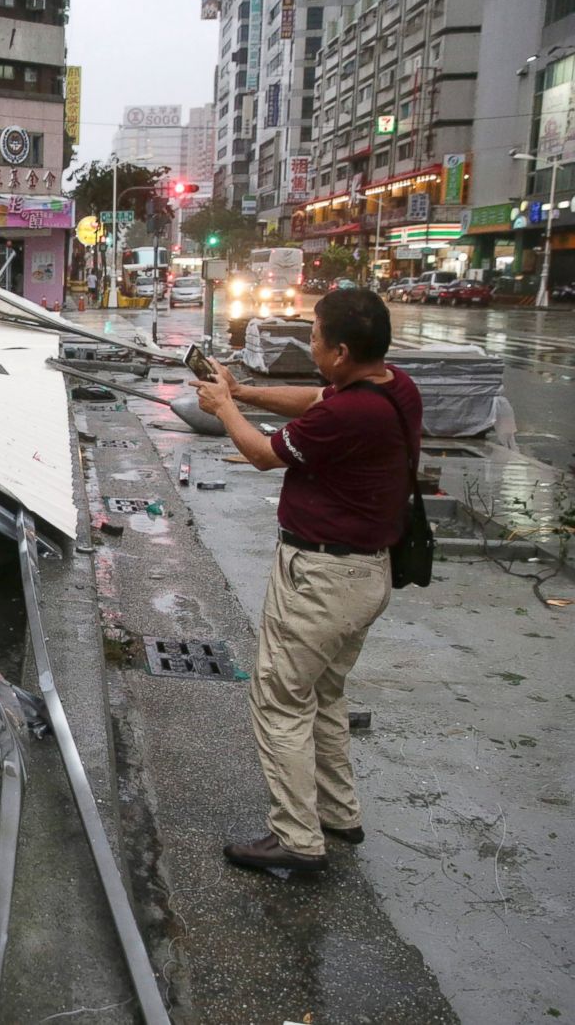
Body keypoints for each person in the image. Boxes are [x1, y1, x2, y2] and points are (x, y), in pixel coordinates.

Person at [191, 289, 422, 874]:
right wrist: (241, 390)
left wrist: (224, 409)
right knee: (323, 694)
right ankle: (338, 813)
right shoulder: (391, 388)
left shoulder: (347, 415)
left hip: (322, 578)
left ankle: (296, 838)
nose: (310, 343)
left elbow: (264, 454)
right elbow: (311, 399)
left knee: (279, 699)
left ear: (341, 351)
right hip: (365, 575)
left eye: (315, 336)